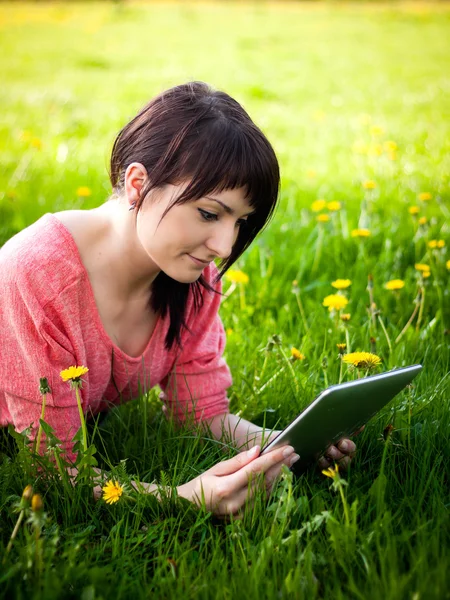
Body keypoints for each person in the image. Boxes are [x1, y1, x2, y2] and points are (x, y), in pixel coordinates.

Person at [0, 82, 356, 518]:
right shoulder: (37, 274)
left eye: (240, 222)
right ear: (138, 184)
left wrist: (287, 445)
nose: (225, 246)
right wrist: (182, 497)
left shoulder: (192, 277)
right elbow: (53, 474)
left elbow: (200, 411)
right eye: (209, 214)